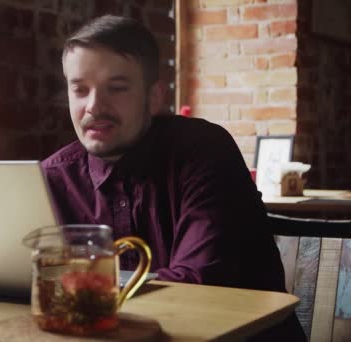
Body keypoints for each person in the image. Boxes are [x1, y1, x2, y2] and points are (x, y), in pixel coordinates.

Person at [40, 15, 305, 341]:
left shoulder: (204, 150)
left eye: (117, 87)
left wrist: (79, 289)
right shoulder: (53, 176)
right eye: (80, 89)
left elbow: (196, 284)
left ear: (153, 97)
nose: (94, 106)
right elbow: (33, 281)